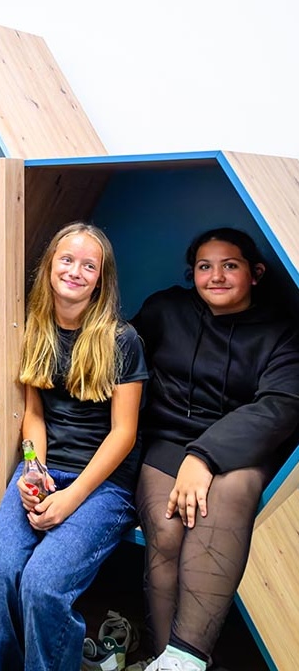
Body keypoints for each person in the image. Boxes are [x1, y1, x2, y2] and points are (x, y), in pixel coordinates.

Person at [0, 221, 148, 671]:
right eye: (67, 259)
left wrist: (70, 497)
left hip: (103, 483)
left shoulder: (121, 340)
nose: (76, 270)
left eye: (89, 265)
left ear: (101, 278)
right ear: (50, 265)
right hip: (47, 467)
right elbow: (35, 414)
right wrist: (34, 471)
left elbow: (123, 434)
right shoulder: (35, 328)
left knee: (42, 586)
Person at [131, 227, 299, 671]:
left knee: (235, 489)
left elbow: (281, 405)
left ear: (255, 273)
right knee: (165, 533)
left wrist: (204, 456)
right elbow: (119, 352)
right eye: (205, 267)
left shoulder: (283, 331)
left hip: (242, 449)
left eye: (230, 265)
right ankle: (167, 656)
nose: (216, 276)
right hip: (168, 439)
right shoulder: (165, 308)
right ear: (194, 273)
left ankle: (185, 659)